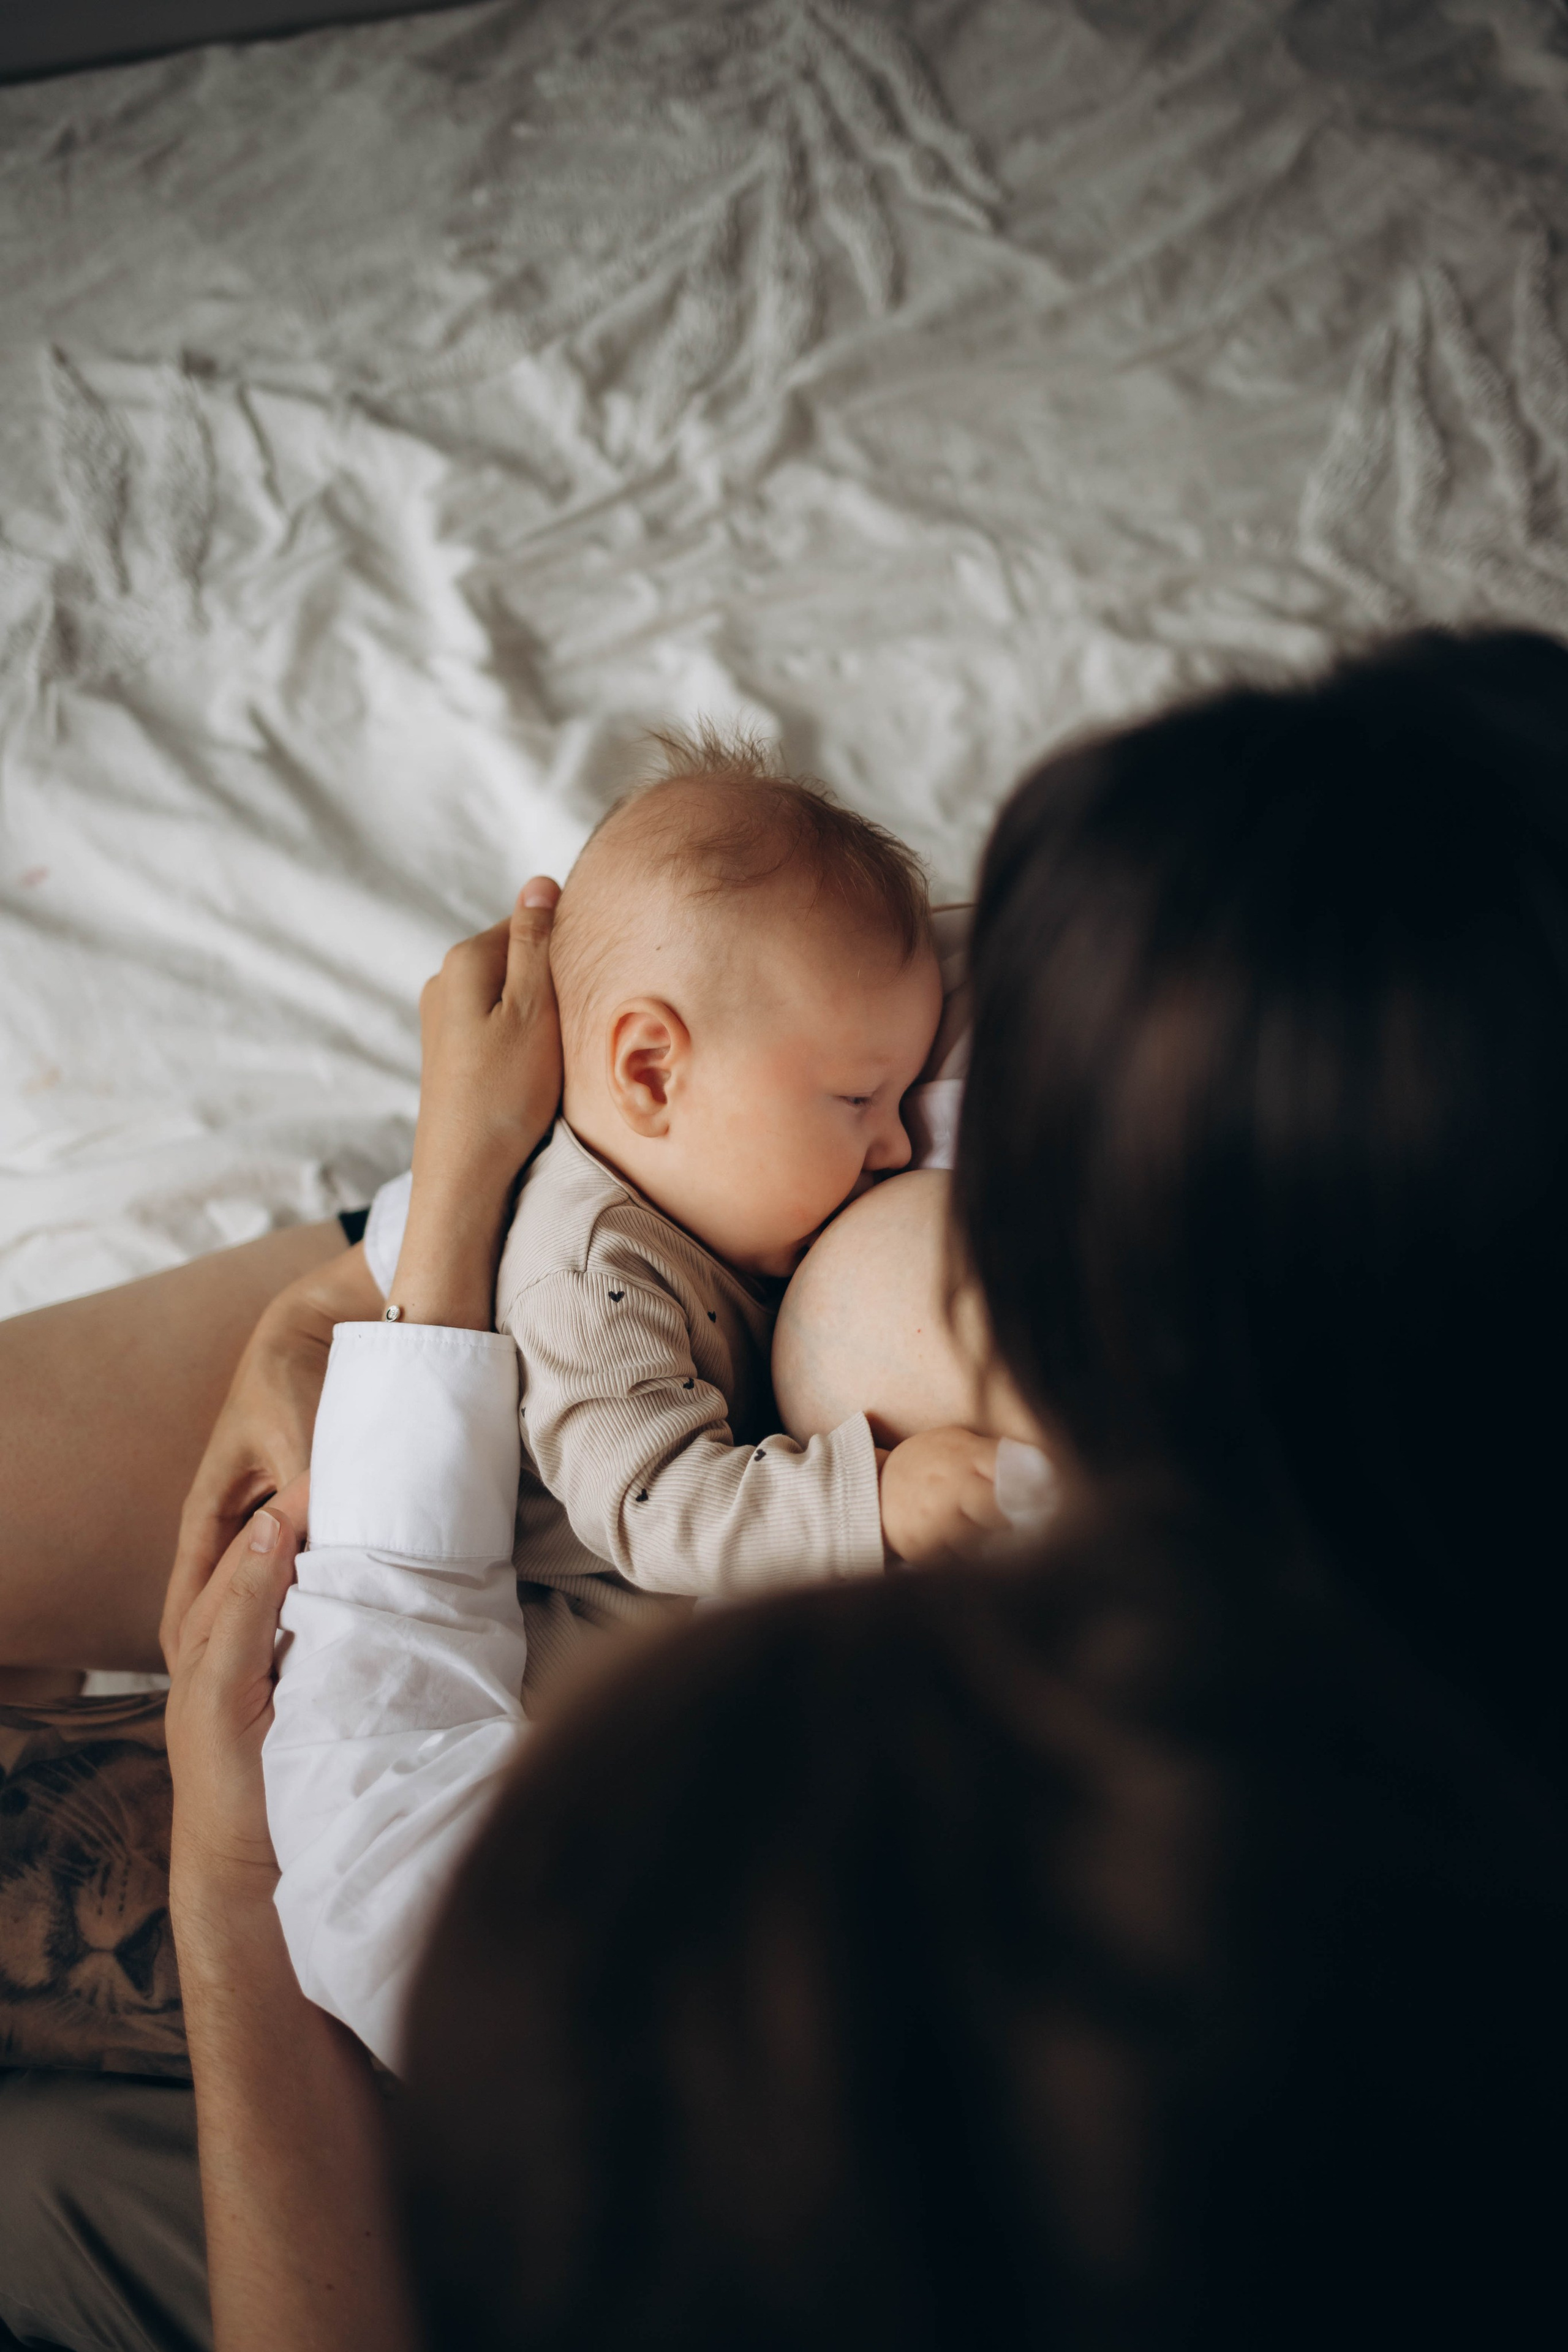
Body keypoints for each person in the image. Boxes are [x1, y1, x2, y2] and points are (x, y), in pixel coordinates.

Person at [8, 622, 1568, 2341]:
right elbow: (783, 1004)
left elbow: (389, 1852)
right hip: (543, 1362)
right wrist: (427, 1235)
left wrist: (233, 1901)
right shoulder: (1274, 1045)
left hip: (486, 1752)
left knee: (41, 2185)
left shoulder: (1095, 1890)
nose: (932, 1139)